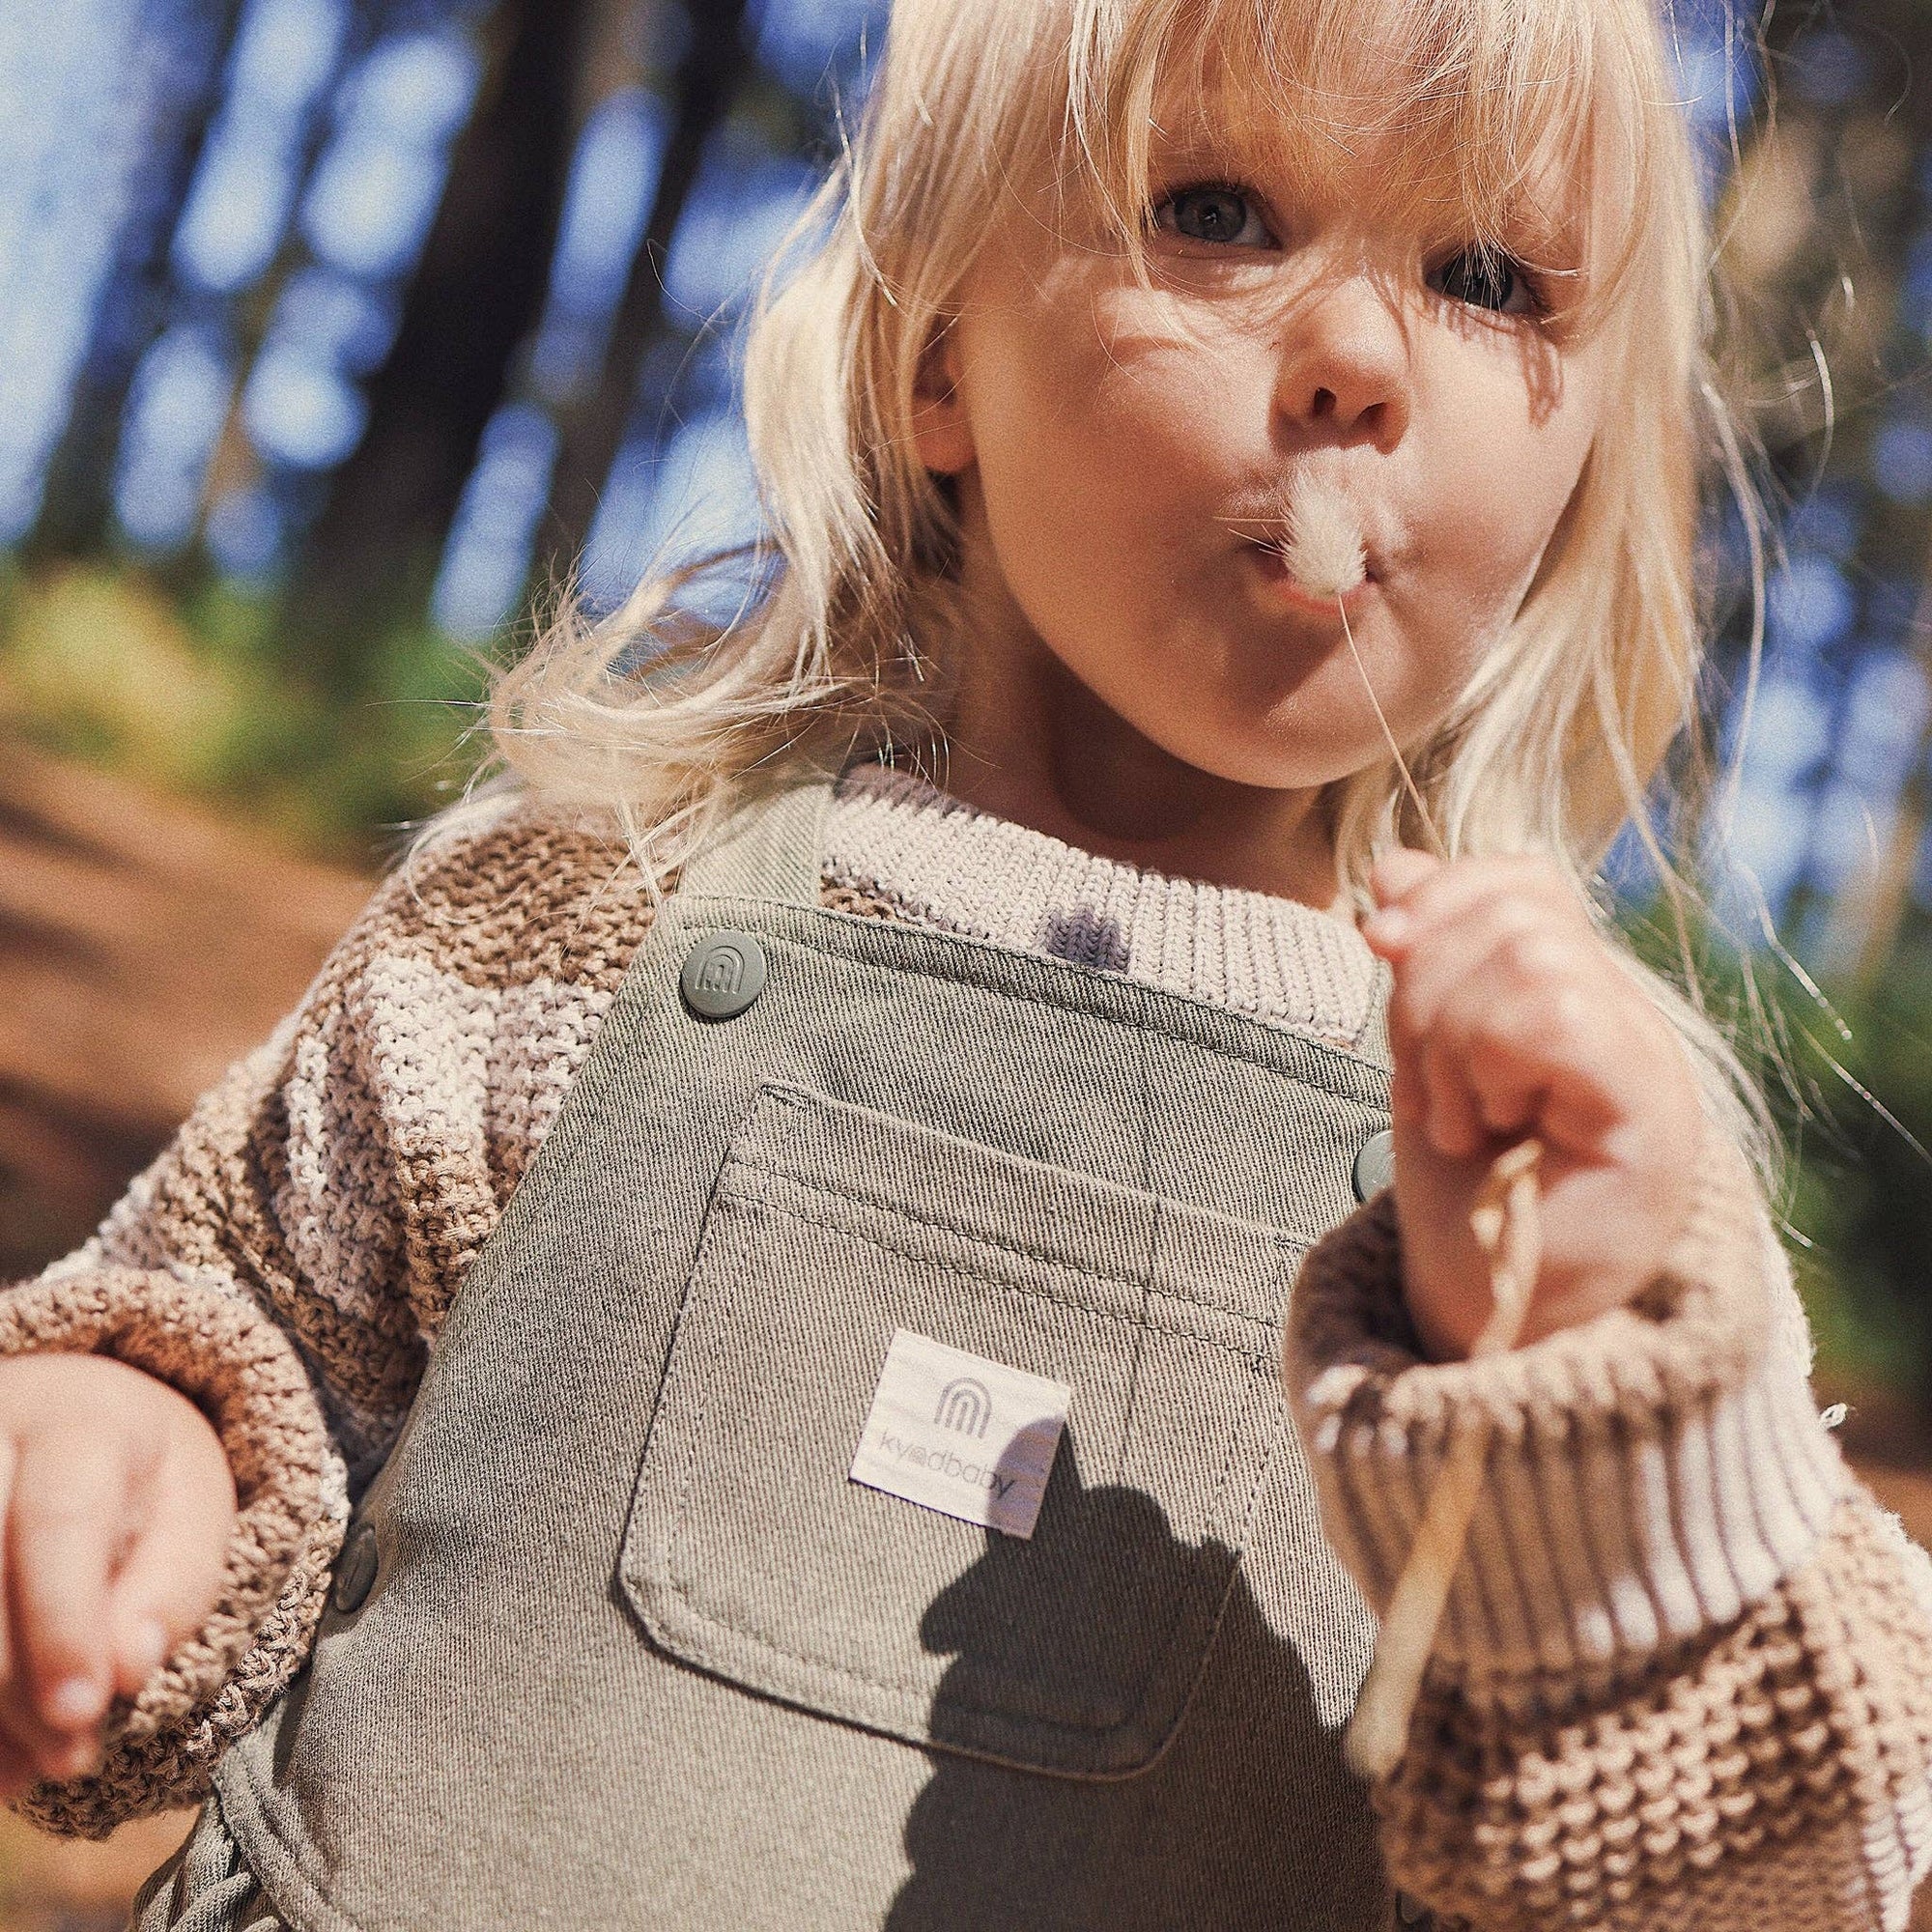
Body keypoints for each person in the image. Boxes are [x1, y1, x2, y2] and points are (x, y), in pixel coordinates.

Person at [4, 0, 1929, 1925]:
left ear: (1588, 456)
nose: (1355, 356)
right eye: (1221, 212)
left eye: (1487, 276)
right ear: (940, 351)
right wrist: (131, 1440)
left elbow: (1808, 1873)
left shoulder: (1562, 1195)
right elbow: (229, 1320)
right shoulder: (580, 918)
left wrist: (1606, 1410)